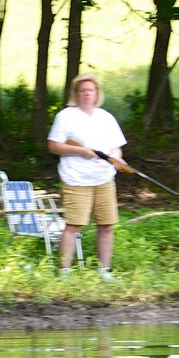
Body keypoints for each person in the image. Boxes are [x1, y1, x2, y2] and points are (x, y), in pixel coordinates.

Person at [47, 74, 127, 281]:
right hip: (76, 180)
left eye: (90, 90)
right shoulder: (65, 116)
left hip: (104, 179)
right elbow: (53, 145)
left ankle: (104, 271)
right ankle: (63, 272)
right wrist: (81, 151)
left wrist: (116, 158)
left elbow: (116, 147)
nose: (86, 94)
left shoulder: (106, 117)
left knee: (107, 225)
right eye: (82, 90)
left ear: (97, 93)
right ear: (76, 94)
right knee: (73, 225)